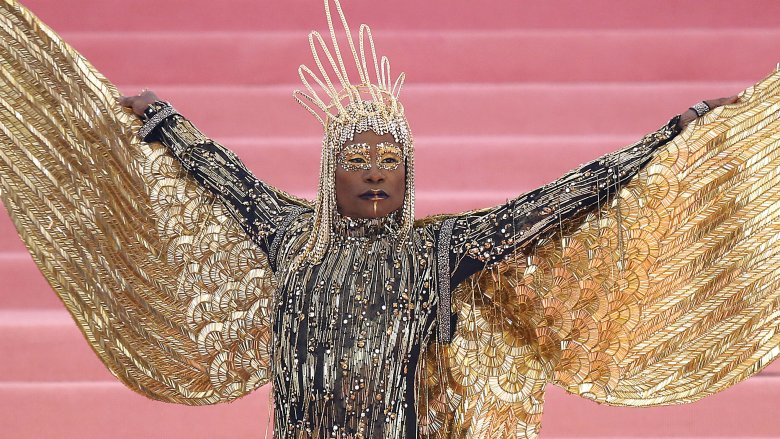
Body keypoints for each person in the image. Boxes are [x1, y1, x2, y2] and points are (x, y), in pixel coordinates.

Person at [1, 0, 778, 438]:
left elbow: (556, 202)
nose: (373, 169)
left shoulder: (440, 251)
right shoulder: (286, 235)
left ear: (407, 172)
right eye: (357, 157)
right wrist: (168, 121)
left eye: (388, 158)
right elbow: (223, 178)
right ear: (328, 169)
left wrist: (670, 136)